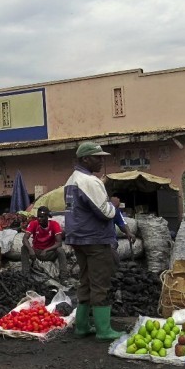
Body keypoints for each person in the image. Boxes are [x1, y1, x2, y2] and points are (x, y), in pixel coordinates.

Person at [64, 142, 122, 341]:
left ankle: (82, 326)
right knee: (100, 284)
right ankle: (103, 330)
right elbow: (105, 212)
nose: (101, 160)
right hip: (95, 239)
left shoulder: (71, 180)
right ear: (85, 159)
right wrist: (114, 204)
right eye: (98, 157)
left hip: (79, 239)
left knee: (86, 281)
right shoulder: (89, 181)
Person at [21, 206, 67, 278]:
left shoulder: (54, 224)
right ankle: (26, 274)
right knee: (24, 248)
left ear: (47, 217)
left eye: (42, 217)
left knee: (60, 250)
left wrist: (46, 250)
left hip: (48, 253)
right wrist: (31, 250)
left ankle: (64, 276)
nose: (39, 219)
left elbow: (59, 243)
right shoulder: (33, 223)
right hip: (36, 252)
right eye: (38, 217)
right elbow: (24, 239)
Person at [110, 196, 135, 265]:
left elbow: (122, 224)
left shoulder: (115, 210)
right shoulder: (97, 207)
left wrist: (128, 232)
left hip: (110, 242)